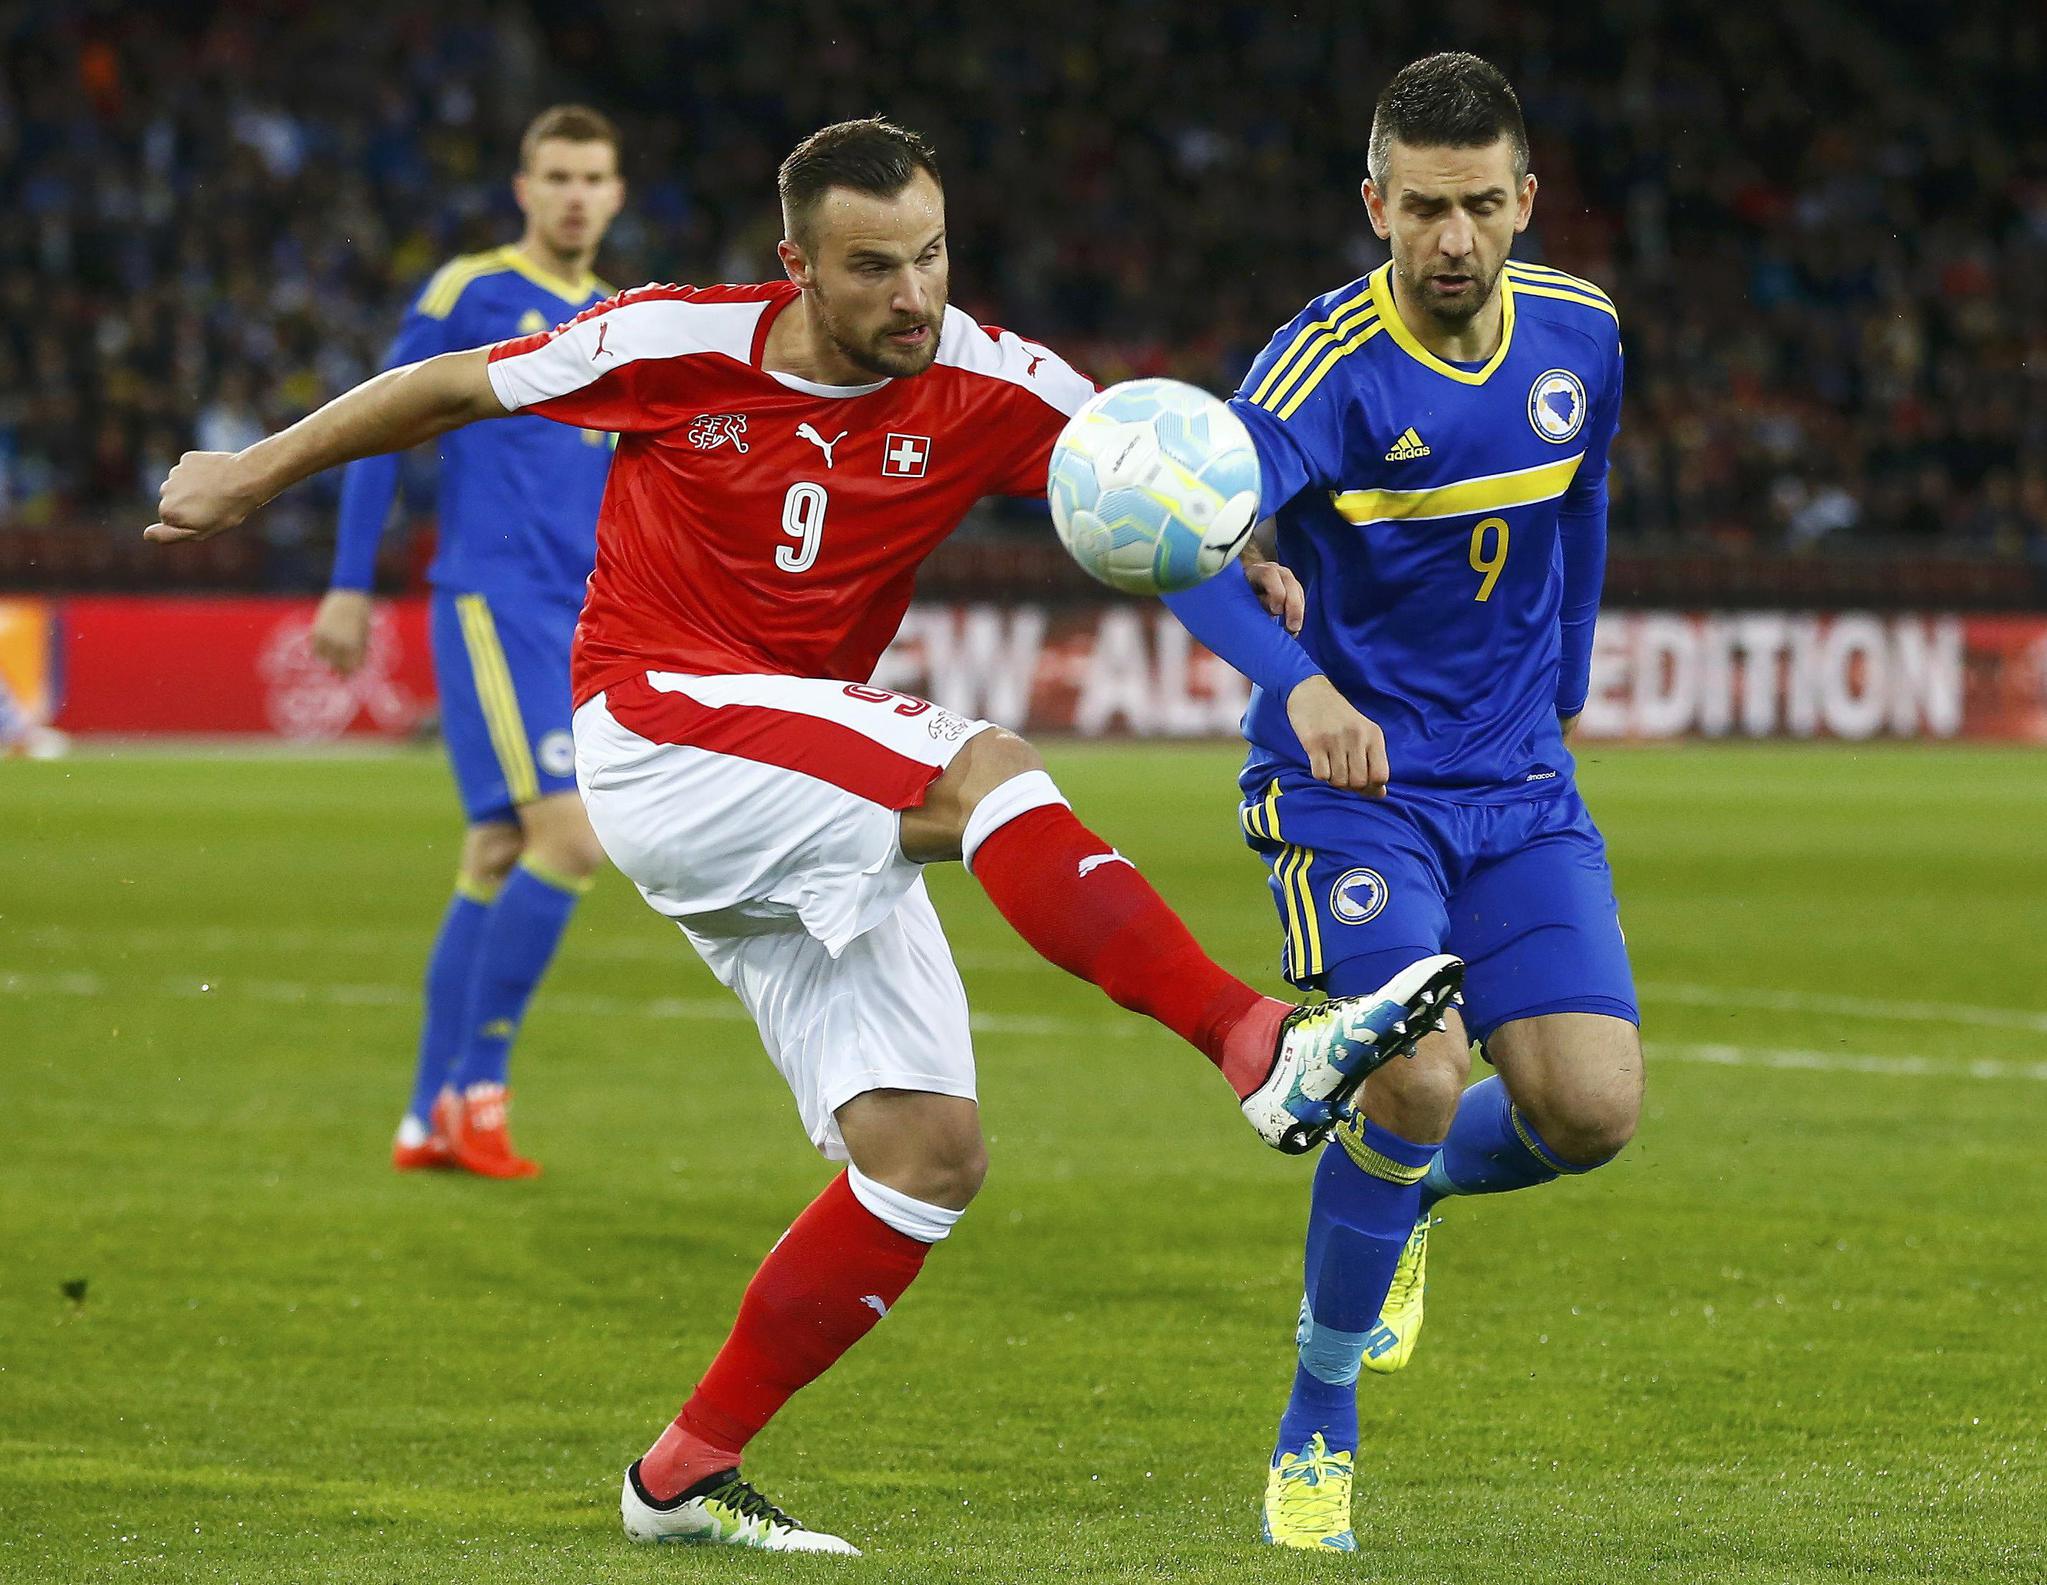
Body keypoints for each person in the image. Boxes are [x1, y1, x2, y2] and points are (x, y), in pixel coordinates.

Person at [145, 117, 1461, 1555]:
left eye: (932, 256)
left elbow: (1147, 482)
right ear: (797, 266)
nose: (915, 294)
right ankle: (1256, 1047)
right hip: (657, 728)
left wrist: (1247, 561)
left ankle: (679, 1475)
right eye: (874, 267)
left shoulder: (989, 377)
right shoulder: (671, 342)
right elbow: (450, 385)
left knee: (924, 1154)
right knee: (983, 770)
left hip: (792, 781)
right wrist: (250, 472)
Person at [1163, 53, 1644, 1552]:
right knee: (1417, 1073)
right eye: (1422, 207)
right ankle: (1317, 1417)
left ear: (1524, 201)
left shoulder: (1579, 332)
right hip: (1352, 788)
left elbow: (1582, 491)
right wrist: (1298, 681)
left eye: (1479, 205)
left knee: (1589, 1112)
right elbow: (1187, 542)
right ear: (1373, 206)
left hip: (1517, 783)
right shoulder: (1318, 369)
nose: (1452, 237)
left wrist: (1569, 665)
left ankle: (1409, 1191)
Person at [308, 106, 626, 1179]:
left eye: (592, 177)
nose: (575, 195)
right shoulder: (470, 292)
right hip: (496, 601)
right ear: (524, 189)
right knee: (571, 839)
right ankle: (477, 1092)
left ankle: (421, 1118)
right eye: (557, 176)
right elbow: (377, 423)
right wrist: (350, 582)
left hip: (584, 616)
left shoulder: (622, 318)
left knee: (498, 850)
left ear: (616, 194)